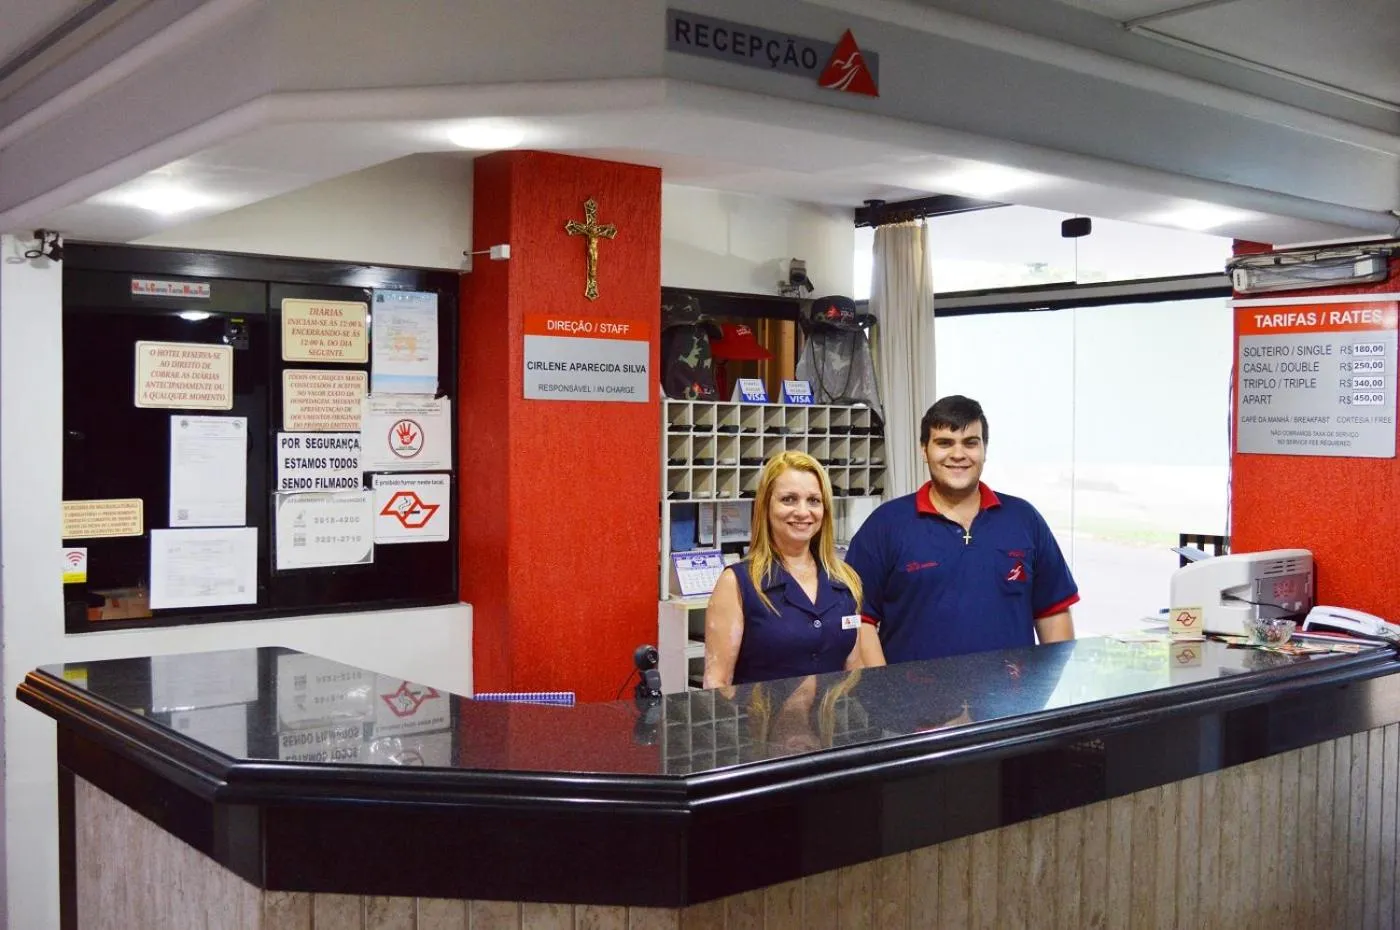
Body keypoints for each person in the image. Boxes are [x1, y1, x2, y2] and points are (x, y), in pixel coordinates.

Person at [844, 395, 1078, 664]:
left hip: (1013, 703)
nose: (958, 454)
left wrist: (1058, 699)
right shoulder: (885, 525)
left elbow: (1053, 613)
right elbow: (859, 620)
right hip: (913, 704)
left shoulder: (1024, 520)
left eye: (970, 443)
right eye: (944, 443)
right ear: (924, 449)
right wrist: (885, 695)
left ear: (984, 450)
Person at [703, 451, 883, 687]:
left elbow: (852, 673)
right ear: (766, 506)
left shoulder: (846, 581)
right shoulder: (738, 583)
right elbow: (717, 682)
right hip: (760, 722)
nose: (802, 512)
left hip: (830, 724)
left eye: (813, 501)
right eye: (788, 499)